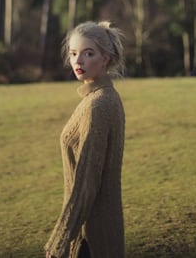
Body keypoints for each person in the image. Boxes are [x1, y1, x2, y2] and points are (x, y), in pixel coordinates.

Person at [45, 21, 126, 258]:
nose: (78, 61)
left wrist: (59, 240)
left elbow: (87, 182)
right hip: (92, 229)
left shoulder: (98, 105)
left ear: (105, 58)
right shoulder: (101, 97)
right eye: (73, 54)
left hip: (92, 238)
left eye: (88, 53)